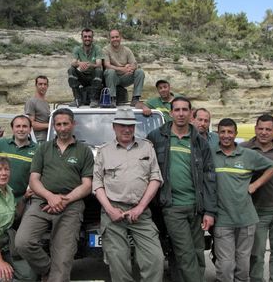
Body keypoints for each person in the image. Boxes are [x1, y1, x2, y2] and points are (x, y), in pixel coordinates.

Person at [15, 108, 94, 281]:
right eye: (58, 124)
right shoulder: (43, 149)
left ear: (73, 124)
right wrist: (50, 196)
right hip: (41, 202)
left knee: (64, 256)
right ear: (54, 126)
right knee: (22, 242)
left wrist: (65, 200)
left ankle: (57, 272)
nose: (62, 128)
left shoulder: (84, 151)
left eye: (66, 124)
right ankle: (48, 268)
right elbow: (34, 179)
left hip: (71, 206)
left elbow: (87, 185)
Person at [147, 96, 217, 282]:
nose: (180, 114)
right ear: (171, 113)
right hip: (172, 206)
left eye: (184, 110)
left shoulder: (199, 141)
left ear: (190, 113)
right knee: (185, 252)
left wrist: (209, 211)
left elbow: (210, 176)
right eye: (176, 110)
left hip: (196, 206)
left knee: (197, 251)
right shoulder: (156, 136)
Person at [93, 108, 164, 282]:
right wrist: (110, 210)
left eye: (130, 125)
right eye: (122, 125)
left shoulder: (146, 147)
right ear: (114, 127)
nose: (126, 129)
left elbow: (155, 178)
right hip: (113, 212)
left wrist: (140, 208)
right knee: (118, 262)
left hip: (141, 213)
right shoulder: (104, 151)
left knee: (155, 259)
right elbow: (97, 184)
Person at [211, 118, 273, 282]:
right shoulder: (211, 153)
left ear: (236, 134)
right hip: (222, 219)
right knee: (226, 265)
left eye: (230, 132)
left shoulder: (248, 155)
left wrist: (255, 185)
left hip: (246, 219)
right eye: (222, 132)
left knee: (243, 264)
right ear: (217, 133)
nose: (226, 135)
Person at [240, 114, 273, 282]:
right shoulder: (244, 149)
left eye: (268, 129)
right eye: (260, 128)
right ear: (255, 129)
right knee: (256, 253)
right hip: (256, 211)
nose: (264, 132)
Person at [0, 115, 38, 206]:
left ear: (30, 129)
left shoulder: (38, 149)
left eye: (24, 126)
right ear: (12, 129)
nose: (21, 129)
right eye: (18, 126)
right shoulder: (2, 144)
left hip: (22, 199)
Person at [103, 29, 145, 107]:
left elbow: (134, 64)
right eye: (112, 37)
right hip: (113, 78)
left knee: (140, 72)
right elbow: (107, 65)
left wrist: (130, 68)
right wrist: (122, 68)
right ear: (109, 38)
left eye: (117, 37)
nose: (115, 39)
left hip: (125, 76)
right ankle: (112, 99)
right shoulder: (106, 50)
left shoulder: (127, 50)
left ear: (120, 37)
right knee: (110, 71)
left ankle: (136, 98)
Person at [68, 28, 104, 108]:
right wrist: (80, 63)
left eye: (89, 37)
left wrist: (89, 65)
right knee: (71, 70)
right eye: (85, 36)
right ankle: (77, 98)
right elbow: (73, 62)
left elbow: (99, 64)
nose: (87, 38)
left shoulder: (97, 48)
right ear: (82, 38)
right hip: (82, 76)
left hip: (93, 76)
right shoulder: (77, 49)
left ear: (92, 38)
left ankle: (94, 99)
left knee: (99, 70)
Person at [24, 75, 50, 142]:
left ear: (47, 86)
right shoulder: (31, 102)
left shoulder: (46, 103)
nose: (43, 86)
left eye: (45, 84)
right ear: (36, 85)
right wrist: (50, 125)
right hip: (37, 140)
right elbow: (30, 124)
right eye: (40, 84)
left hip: (47, 139)